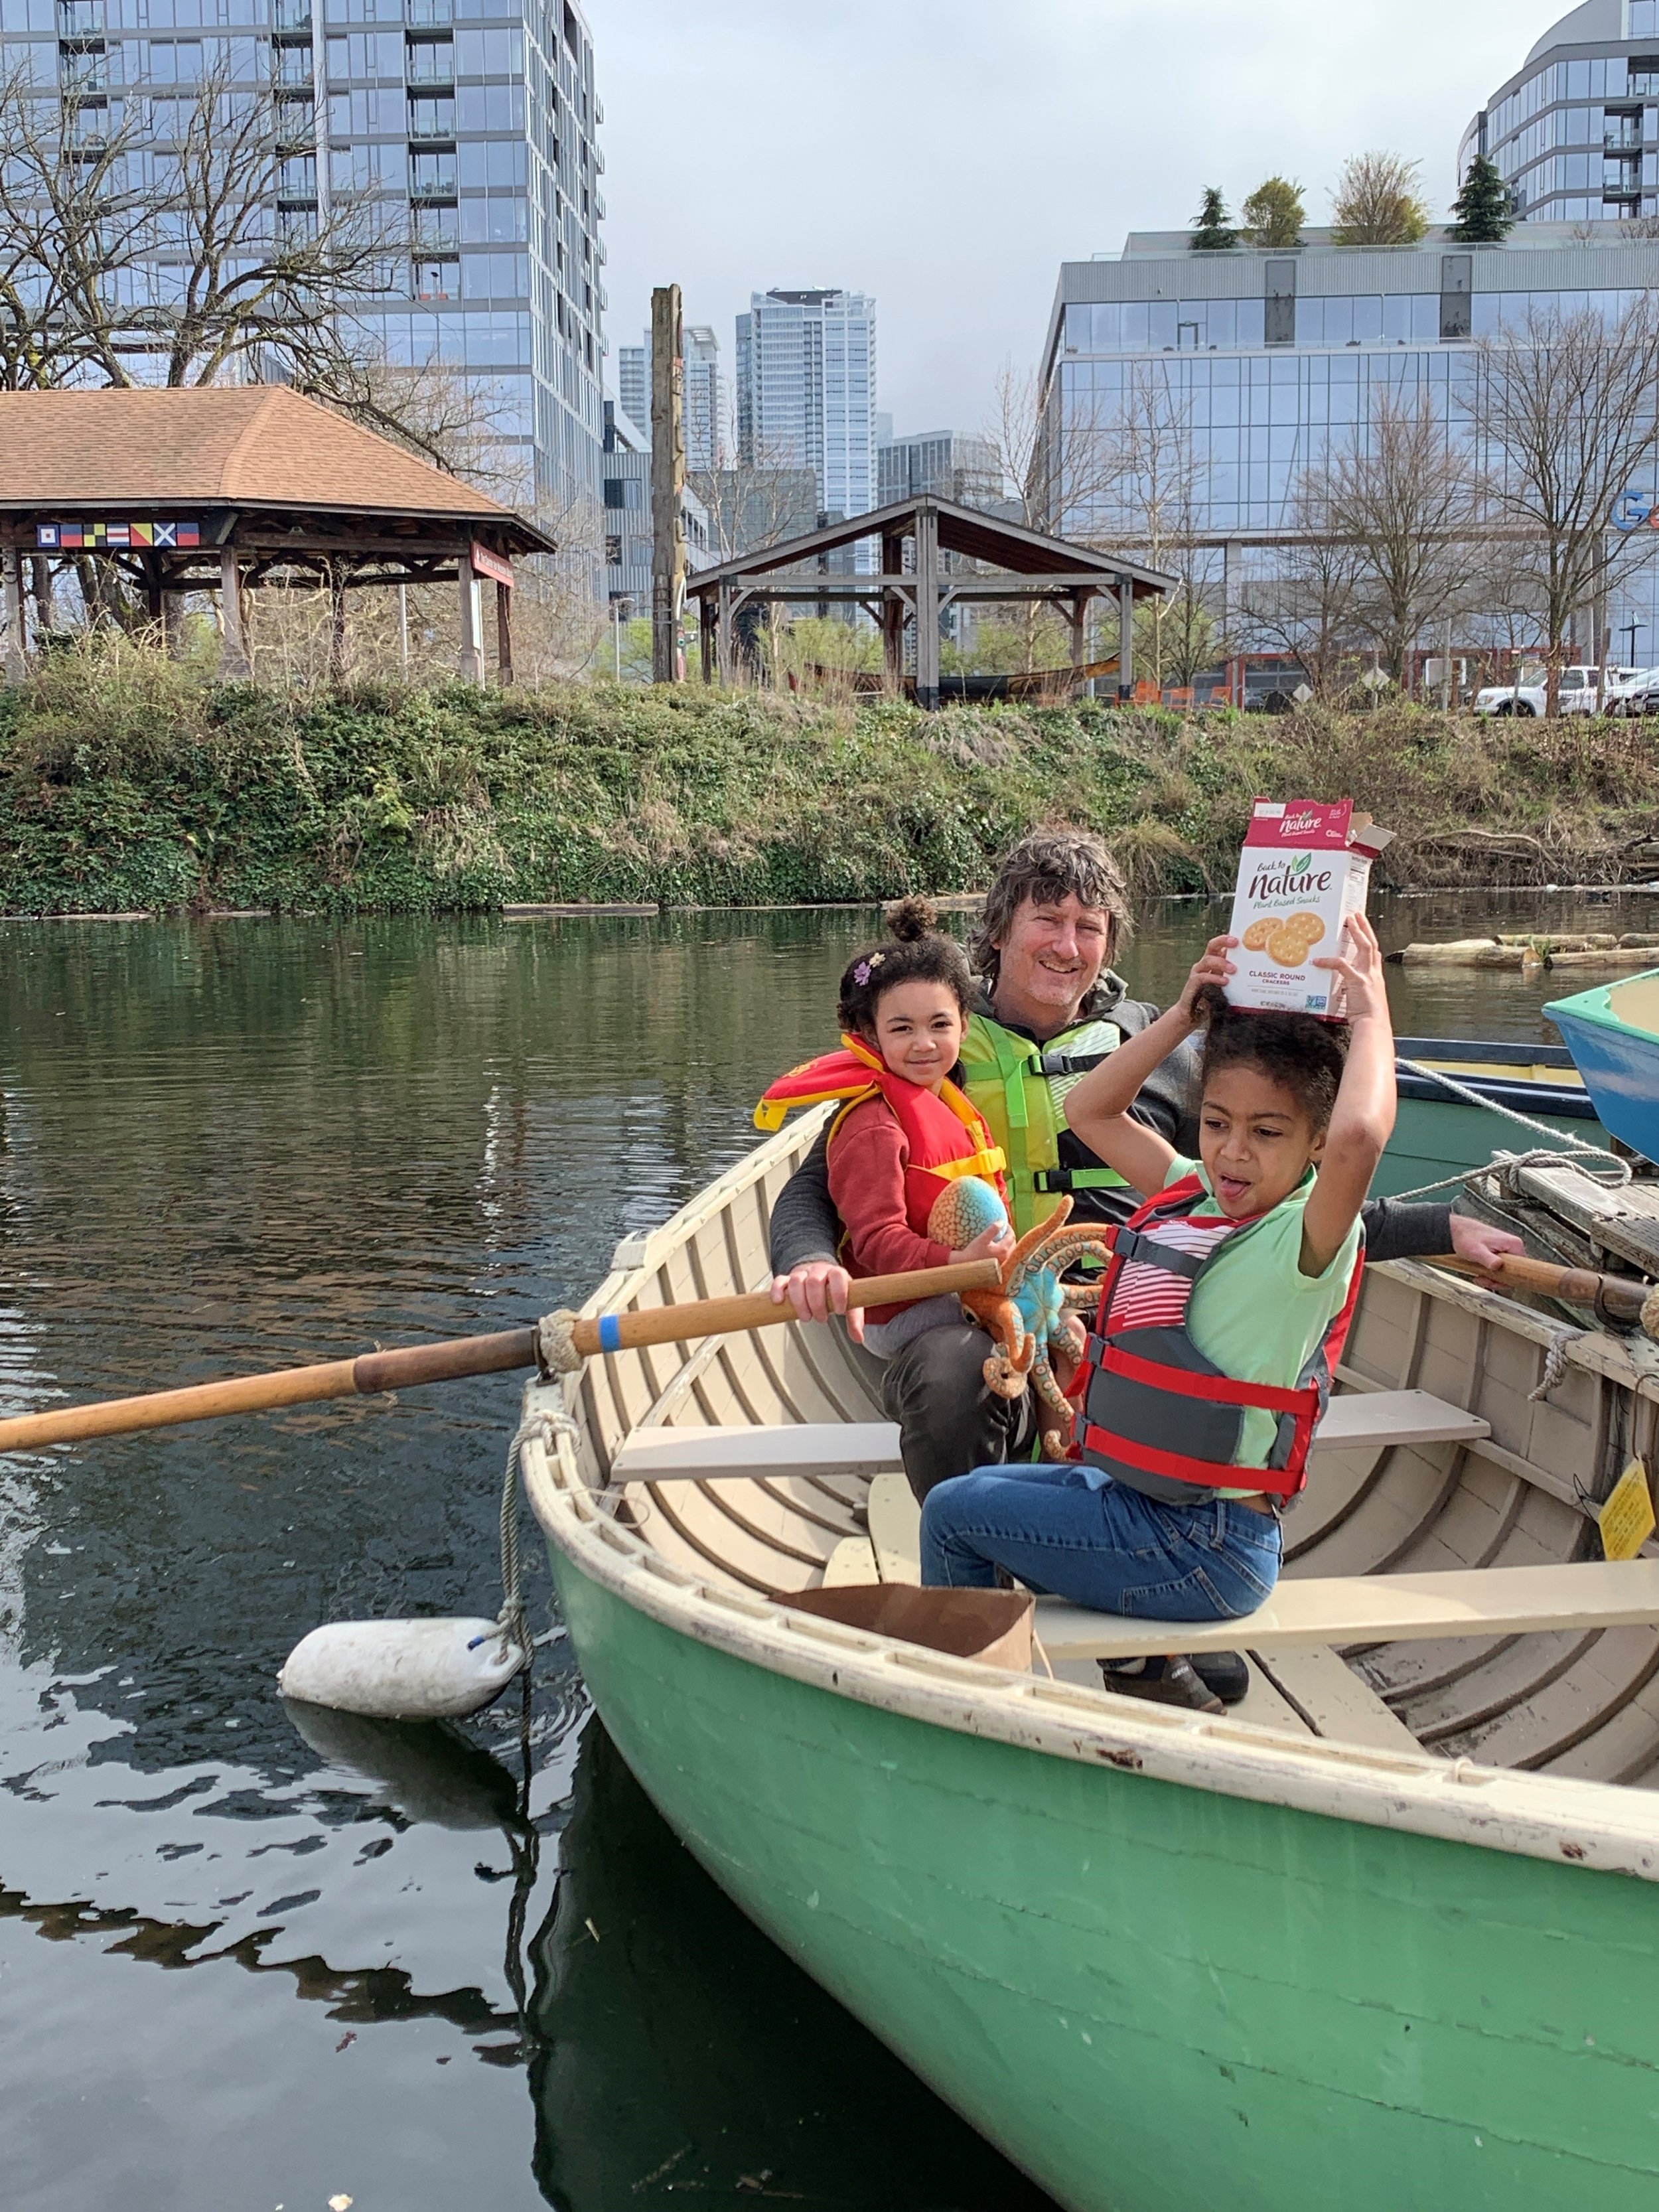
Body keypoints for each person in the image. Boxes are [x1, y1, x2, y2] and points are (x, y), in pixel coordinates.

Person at [766, 826, 1524, 1708]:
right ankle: (1015, 1606)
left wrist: (1440, 1226)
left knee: (1126, 1365)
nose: (1068, 943)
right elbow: (813, 1190)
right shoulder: (930, 1038)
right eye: (1048, 919)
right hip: (973, 1308)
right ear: (999, 933)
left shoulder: (1191, 1058)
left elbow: (1287, 1198)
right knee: (951, 1375)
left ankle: (1142, 1635)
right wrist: (811, 1257)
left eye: (1090, 926)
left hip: (1138, 1319)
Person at [920, 920, 1395, 1712]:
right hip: (1148, 1510)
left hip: (1208, 1545)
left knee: (951, 1514)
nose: (1233, 1153)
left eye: (1266, 1133)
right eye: (1216, 1124)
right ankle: (1132, 1673)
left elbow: (1361, 1133)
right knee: (988, 1486)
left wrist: (1371, 1009)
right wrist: (1186, 1015)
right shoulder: (1191, 1194)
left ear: (1313, 1143)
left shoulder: (1306, 1236)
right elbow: (1092, 1111)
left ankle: (971, 1717)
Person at [754, 899, 1013, 1357]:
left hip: (954, 1279)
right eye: (902, 1029)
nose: (924, 1043)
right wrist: (958, 1265)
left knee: (1051, 1318)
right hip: (903, 1311)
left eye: (940, 1024)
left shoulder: (947, 1099)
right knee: (1025, 1319)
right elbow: (875, 1242)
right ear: (870, 1035)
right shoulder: (873, 1124)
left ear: (965, 1025)